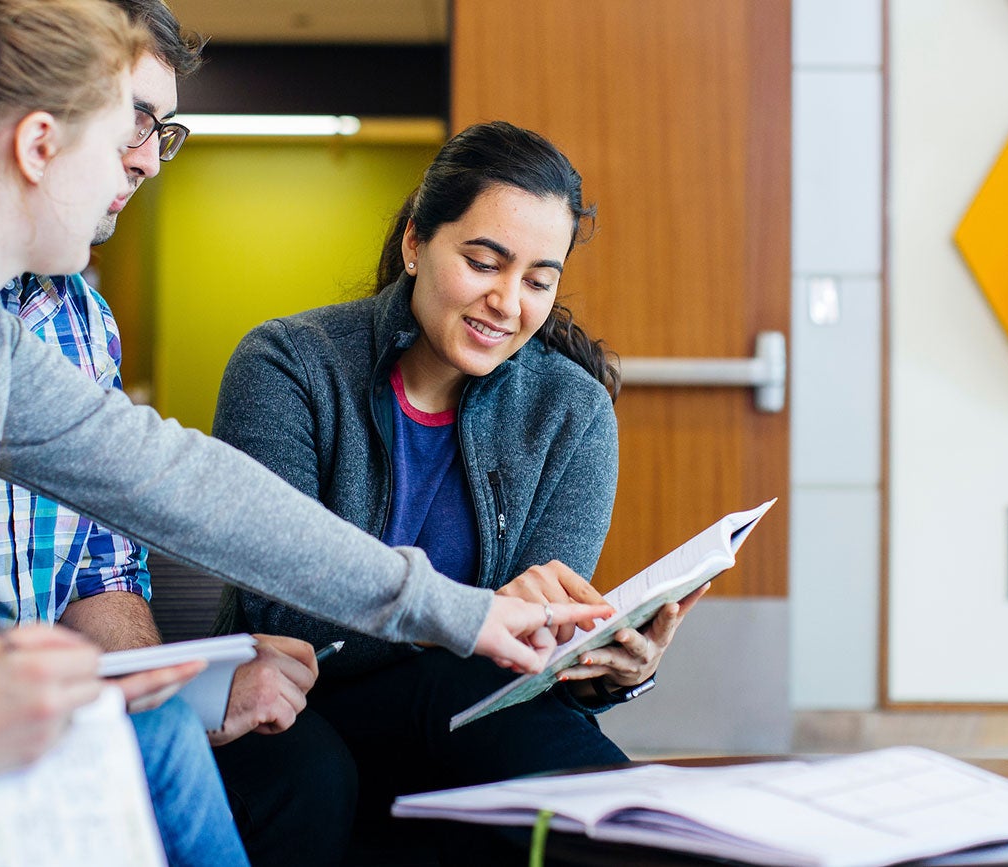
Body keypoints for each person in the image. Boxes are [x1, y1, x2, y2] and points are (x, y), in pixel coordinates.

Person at [0, 0, 602, 839]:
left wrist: (460, 611)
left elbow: (172, 479)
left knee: (167, 735)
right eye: (121, 137)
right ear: (37, 146)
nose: (137, 171)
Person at [213, 120, 706, 856]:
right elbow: (284, 604)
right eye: (484, 262)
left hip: (461, 711)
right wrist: (472, 617)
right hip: (292, 699)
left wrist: (607, 672)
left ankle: (671, 842)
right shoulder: (288, 365)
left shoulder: (571, 411)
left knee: (489, 710)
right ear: (415, 243)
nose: (508, 302)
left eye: (539, 280)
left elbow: (527, 656)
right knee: (330, 764)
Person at [0, 2, 350, 862]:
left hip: (44, 703)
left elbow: (113, 556)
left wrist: (163, 689)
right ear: (39, 129)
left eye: (160, 131)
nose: (143, 161)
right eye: (131, 123)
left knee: (192, 739)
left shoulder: (80, 323)